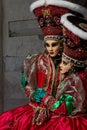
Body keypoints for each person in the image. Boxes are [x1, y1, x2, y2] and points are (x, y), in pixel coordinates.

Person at [0, 0, 87, 130]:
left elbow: (72, 101)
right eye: (47, 45)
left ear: (62, 44)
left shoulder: (72, 64)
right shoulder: (36, 61)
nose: (50, 49)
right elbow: (27, 84)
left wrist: (48, 100)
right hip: (36, 110)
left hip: (60, 115)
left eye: (54, 44)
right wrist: (33, 94)